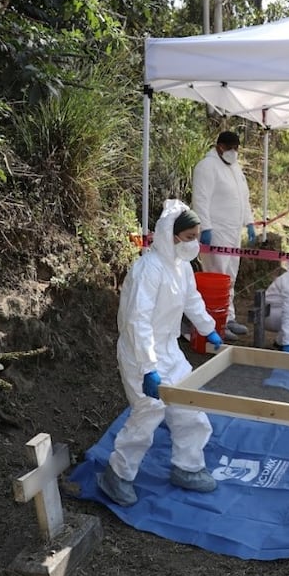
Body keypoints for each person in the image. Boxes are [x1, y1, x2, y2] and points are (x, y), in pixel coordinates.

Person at [98, 199, 224, 507]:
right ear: (172, 235)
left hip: (169, 349)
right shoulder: (147, 270)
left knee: (189, 406)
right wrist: (148, 368)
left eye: (197, 237)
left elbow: (192, 300)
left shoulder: (182, 267)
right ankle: (117, 475)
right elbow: (137, 322)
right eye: (190, 237)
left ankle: (188, 467)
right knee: (148, 413)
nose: (194, 243)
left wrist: (207, 328)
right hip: (140, 352)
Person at [192, 130, 256, 340]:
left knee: (230, 276)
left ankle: (228, 317)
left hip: (233, 231)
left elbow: (243, 198)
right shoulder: (206, 167)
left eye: (237, 149)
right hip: (216, 231)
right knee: (216, 276)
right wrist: (205, 227)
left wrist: (249, 222)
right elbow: (200, 198)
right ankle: (214, 322)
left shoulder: (235, 168)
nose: (234, 152)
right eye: (231, 148)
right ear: (219, 147)